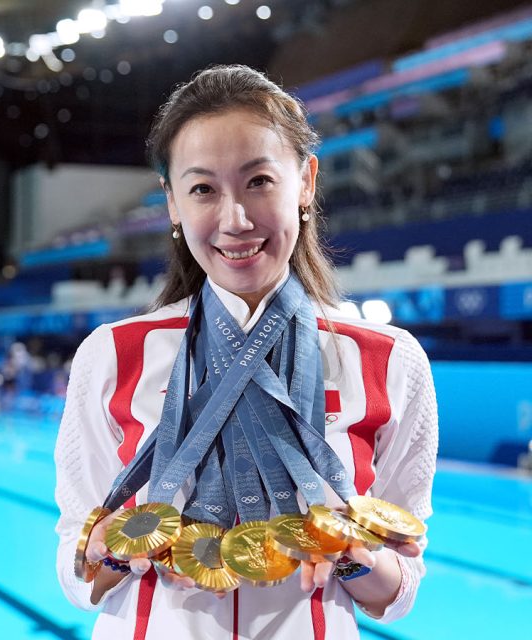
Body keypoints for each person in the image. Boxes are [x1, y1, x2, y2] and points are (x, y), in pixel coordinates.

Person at [54, 65, 437, 640]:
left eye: (259, 180)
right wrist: (109, 551)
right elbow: (73, 572)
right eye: (203, 188)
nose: (235, 220)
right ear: (173, 204)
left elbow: (400, 590)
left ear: (306, 182)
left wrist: (351, 552)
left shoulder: (389, 361)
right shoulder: (112, 355)